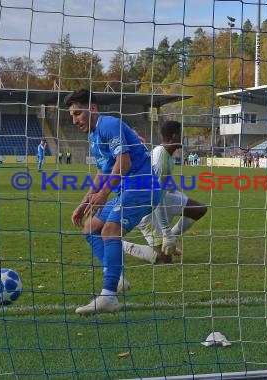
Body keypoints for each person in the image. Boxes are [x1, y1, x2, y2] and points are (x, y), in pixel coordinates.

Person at [65, 88, 161, 316]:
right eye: (72, 115)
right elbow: (102, 172)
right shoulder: (93, 136)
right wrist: (84, 202)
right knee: (90, 228)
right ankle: (116, 278)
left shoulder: (108, 124)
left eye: (78, 113)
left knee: (110, 230)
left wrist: (104, 194)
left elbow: (124, 163)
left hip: (142, 187)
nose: (74, 119)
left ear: (93, 108)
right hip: (126, 191)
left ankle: (109, 296)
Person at [122, 120, 207, 264]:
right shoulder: (160, 159)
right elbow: (155, 199)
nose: (183, 137)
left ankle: (170, 241)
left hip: (160, 198)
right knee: (164, 260)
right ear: (174, 136)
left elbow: (164, 185)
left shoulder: (167, 155)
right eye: (182, 134)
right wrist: (166, 231)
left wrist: (179, 196)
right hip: (146, 207)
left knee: (198, 209)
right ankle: (118, 243)